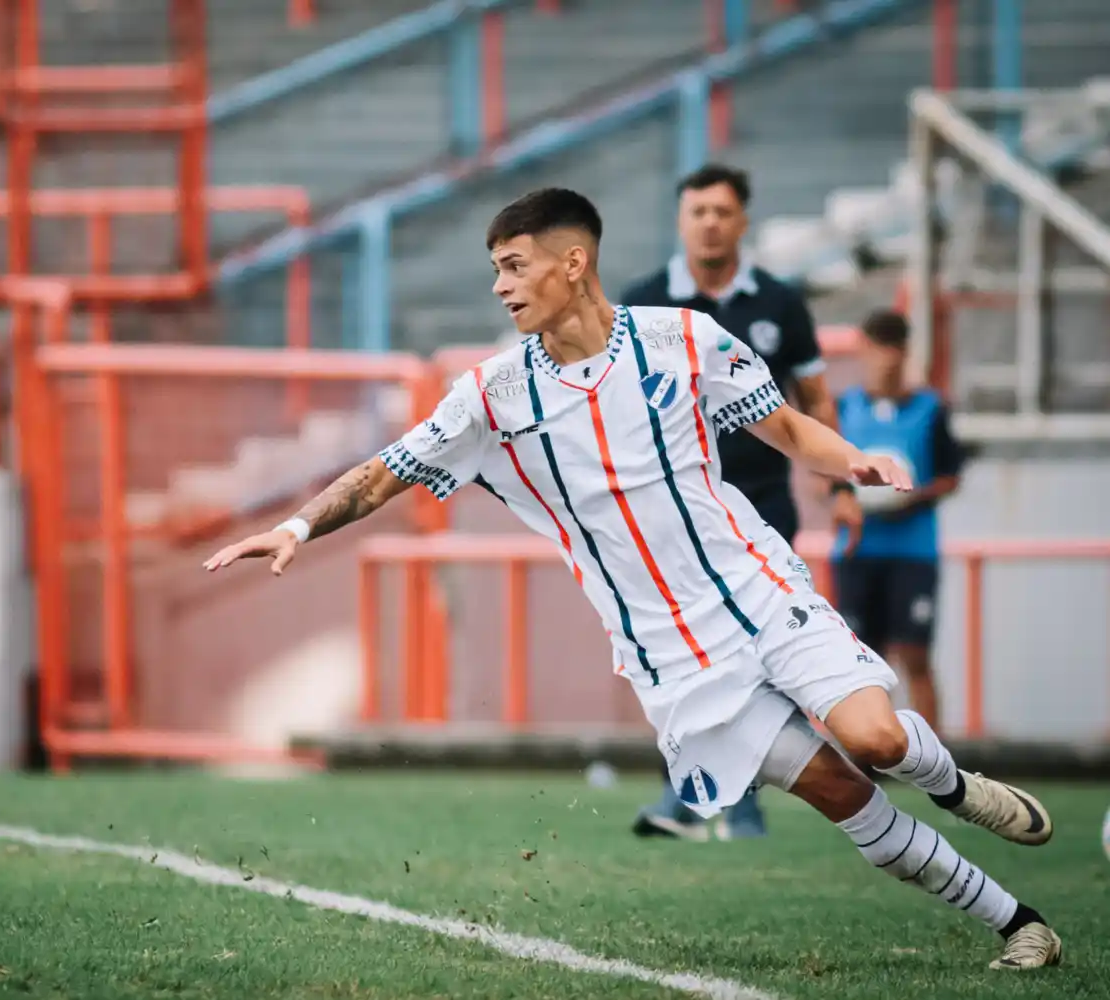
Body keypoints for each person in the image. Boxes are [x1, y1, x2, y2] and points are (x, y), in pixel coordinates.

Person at [204, 188, 1061, 971]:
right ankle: (1020, 924)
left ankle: (956, 787)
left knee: (876, 742)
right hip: (671, 657)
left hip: (759, 591)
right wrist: (294, 526)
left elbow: (791, 430)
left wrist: (855, 464)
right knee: (840, 792)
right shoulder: (492, 396)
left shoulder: (682, 341)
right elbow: (384, 471)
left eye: (513, 266)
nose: (501, 288)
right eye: (494, 271)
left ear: (572, 262)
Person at [620, 163, 849, 841]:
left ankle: (744, 797)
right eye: (699, 212)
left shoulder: (779, 303)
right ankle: (685, 794)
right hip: (673, 508)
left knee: (757, 645)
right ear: (681, 220)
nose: (711, 222)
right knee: (677, 648)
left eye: (723, 211)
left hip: (761, 503)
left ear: (743, 221)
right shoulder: (644, 301)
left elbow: (815, 399)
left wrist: (839, 486)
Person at [831, 309, 965, 728]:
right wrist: (842, 497)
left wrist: (910, 497)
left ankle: (937, 764)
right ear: (863, 350)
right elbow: (828, 474)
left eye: (894, 348)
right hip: (857, 551)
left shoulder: (930, 409)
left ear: (905, 352)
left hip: (912, 551)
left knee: (915, 654)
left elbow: (951, 476)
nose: (885, 358)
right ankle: (868, 755)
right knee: (861, 661)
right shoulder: (843, 408)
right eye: (877, 347)